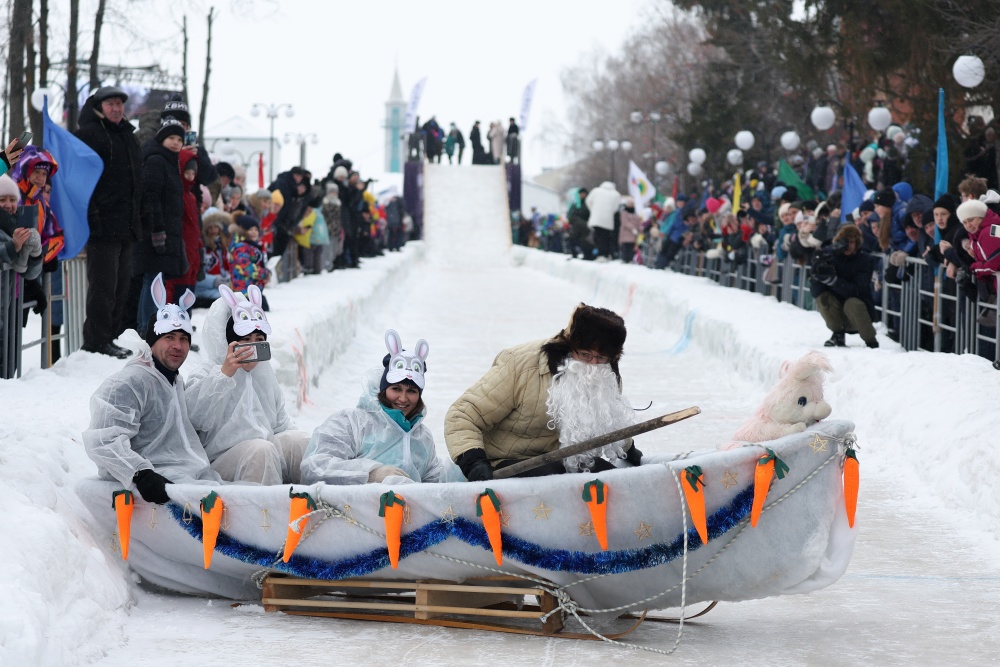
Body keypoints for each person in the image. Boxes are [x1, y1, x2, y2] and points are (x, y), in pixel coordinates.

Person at [445, 304, 642, 480]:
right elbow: (462, 415)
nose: (592, 364)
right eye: (585, 355)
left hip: (566, 463)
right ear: (569, 345)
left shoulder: (604, 374)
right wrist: (474, 462)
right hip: (507, 463)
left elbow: (605, 419)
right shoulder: (521, 365)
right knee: (551, 478)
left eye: (601, 357)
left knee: (613, 481)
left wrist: (628, 448)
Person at [82, 273, 220, 504]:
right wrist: (140, 474)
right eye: (169, 337)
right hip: (150, 486)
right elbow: (103, 440)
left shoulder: (172, 380)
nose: (178, 346)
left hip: (185, 474)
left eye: (184, 339)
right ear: (152, 342)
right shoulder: (131, 381)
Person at [185, 285, 310, 485]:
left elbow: (280, 422)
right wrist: (223, 375)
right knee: (260, 451)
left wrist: (297, 442)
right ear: (229, 342)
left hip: (264, 450)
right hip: (220, 461)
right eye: (245, 340)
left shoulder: (264, 373)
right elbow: (193, 420)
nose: (252, 347)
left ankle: (312, 503)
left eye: (259, 340)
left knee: (299, 441)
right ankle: (264, 513)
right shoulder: (205, 373)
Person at [301, 329, 443, 485]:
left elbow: (434, 483)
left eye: (411, 391)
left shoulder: (422, 438)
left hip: (406, 509)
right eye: (396, 389)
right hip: (348, 508)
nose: (403, 398)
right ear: (383, 389)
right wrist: (370, 474)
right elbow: (315, 467)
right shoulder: (352, 423)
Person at [75, 86, 142, 359]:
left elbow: (137, 181)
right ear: (98, 107)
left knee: (120, 287)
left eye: (119, 104)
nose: (116, 108)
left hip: (127, 225)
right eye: (111, 104)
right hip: (102, 225)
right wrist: (93, 216)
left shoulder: (128, 135)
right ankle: (96, 341)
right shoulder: (88, 135)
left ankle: (111, 337)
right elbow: (80, 181)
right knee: (103, 287)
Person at [134, 118, 189, 334]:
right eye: (171, 138)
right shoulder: (157, 160)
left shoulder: (168, 161)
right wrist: (157, 232)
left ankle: (148, 326)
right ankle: (147, 327)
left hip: (163, 232)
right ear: (161, 139)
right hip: (155, 233)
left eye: (179, 139)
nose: (176, 142)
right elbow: (151, 198)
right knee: (153, 281)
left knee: (155, 280)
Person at [809, 224, 879, 349]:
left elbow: (859, 291)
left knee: (852, 303)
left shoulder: (865, 259)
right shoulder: (828, 256)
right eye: (844, 241)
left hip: (857, 313)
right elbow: (816, 292)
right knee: (823, 298)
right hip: (836, 311)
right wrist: (817, 273)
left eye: (851, 242)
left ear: (857, 243)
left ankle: (871, 341)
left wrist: (834, 281)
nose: (848, 246)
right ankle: (838, 333)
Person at [229, 215, 270, 300]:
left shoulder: (252, 245)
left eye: (256, 230)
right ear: (243, 231)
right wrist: (263, 273)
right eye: (250, 229)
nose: (254, 232)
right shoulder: (241, 247)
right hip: (243, 291)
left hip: (252, 289)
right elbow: (245, 267)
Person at [586, 182, 621, 260]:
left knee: (597, 236)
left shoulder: (596, 191)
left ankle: (598, 253)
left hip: (596, 218)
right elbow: (615, 208)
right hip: (608, 220)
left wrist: (593, 210)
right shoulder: (616, 194)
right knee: (606, 237)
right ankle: (604, 254)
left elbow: (588, 201)